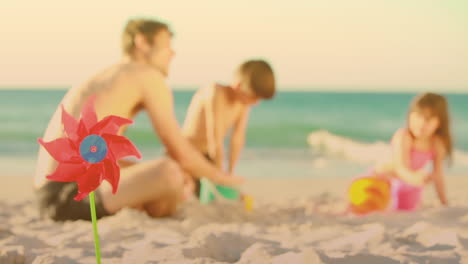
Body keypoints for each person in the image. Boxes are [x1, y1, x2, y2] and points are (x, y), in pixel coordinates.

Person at [34, 18, 244, 221]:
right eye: (166, 45)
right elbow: (180, 152)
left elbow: (97, 155)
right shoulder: (146, 74)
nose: (173, 52)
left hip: (50, 194)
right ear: (142, 43)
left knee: (170, 180)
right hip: (70, 195)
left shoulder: (112, 75)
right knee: (170, 172)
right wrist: (224, 178)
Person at [181, 60, 275, 197]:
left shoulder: (242, 103)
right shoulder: (215, 92)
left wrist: (230, 172)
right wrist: (220, 176)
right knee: (188, 189)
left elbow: (237, 138)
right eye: (254, 97)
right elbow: (215, 139)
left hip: (208, 156)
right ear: (238, 86)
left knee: (226, 190)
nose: (255, 103)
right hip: (187, 153)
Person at [349, 92, 452, 214]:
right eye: (418, 116)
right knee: (365, 206)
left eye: (428, 119)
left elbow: (438, 175)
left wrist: (444, 202)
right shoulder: (404, 137)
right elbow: (400, 168)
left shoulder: (437, 143)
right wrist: (415, 178)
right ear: (410, 116)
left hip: (409, 186)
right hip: (382, 180)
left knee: (406, 211)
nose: (422, 123)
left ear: (440, 122)